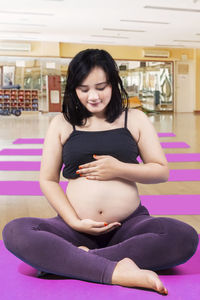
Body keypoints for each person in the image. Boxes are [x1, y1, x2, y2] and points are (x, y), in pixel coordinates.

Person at [2, 49, 199, 295]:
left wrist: (119, 168)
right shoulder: (61, 123)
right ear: (73, 89)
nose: (93, 96)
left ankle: (75, 261)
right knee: (16, 231)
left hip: (129, 225)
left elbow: (161, 172)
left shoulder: (134, 119)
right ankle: (117, 271)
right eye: (83, 89)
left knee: (183, 236)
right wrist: (75, 221)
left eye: (101, 87)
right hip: (74, 227)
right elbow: (48, 179)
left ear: (114, 84)